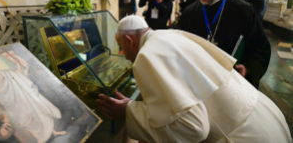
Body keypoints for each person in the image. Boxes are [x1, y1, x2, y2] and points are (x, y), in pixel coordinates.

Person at [96, 15, 291, 143]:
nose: (122, 53)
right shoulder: (167, 35)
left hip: (243, 136)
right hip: (261, 115)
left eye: (121, 46)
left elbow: (192, 128)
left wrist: (128, 111)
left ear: (130, 41)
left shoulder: (146, 55)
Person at [176, 0, 271, 89]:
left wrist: (248, 67)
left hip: (231, 82)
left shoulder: (243, 10)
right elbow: (179, 44)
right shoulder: (190, 12)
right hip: (199, 81)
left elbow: (260, 47)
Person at [0, 50, 67, 142]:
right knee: (23, 121)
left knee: (35, 112)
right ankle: (39, 138)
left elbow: (16, 75)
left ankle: (53, 131)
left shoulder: (3, 72)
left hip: (17, 96)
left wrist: (13, 58)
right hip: (7, 103)